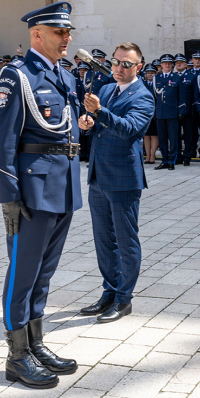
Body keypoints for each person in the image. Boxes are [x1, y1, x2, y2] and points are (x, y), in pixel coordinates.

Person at [0, 1, 82, 389]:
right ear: (37, 34)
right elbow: (1, 138)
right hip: (31, 189)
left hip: (62, 184)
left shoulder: (65, 75)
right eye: (60, 32)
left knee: (44, 272)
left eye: (68, 32)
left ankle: (35, 343)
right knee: (23, 272)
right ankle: (16, 356)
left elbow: (64, 128)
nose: (67, 38)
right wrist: (8, 194)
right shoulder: (16, 76)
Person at [78, 42, 155, 323]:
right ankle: (109, 292)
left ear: (138, 67)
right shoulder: (108, 89)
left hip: (123, 179)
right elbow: (100, 127)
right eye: (115, 62)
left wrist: (99, 113)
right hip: (99, 174)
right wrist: (88, 123)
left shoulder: (143, 96)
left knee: (125, 241)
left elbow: (130, 129)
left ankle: (124, 299)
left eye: (126, 64)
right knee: (103, 240)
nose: (119, 68)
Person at [152, 55, 180, 170]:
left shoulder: (177, 77)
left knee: (173, 138)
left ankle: (172, 161)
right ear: (161, 65)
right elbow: (154, 96)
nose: (167, 65)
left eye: (169, 63)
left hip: (172, 111)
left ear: (172, 65)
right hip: (160, 112)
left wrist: (180, 110)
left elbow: (180, 96)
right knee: (162, 138)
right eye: (165, 63)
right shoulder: (156, 78)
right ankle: (164, 160)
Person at [175, 54, 196, 166]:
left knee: (188, 135)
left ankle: (187, 156)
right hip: (175, 110)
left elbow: (195, 94)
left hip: (188, 110)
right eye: (177, 63)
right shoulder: (173, 76)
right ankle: (178, 156)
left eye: (181, 63)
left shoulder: (191, 76)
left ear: (186, 64)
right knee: (176, 135)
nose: (179, 64)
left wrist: (193, 109)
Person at [141, 64, 159, 164]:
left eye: (152, 73)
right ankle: (147, 155)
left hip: (155, 112)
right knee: (146, 135)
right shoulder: (142, 83)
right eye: (148, 73)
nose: (150, 75)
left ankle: (153, 155)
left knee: (154, 134)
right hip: (144, 112)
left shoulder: (158, 83)